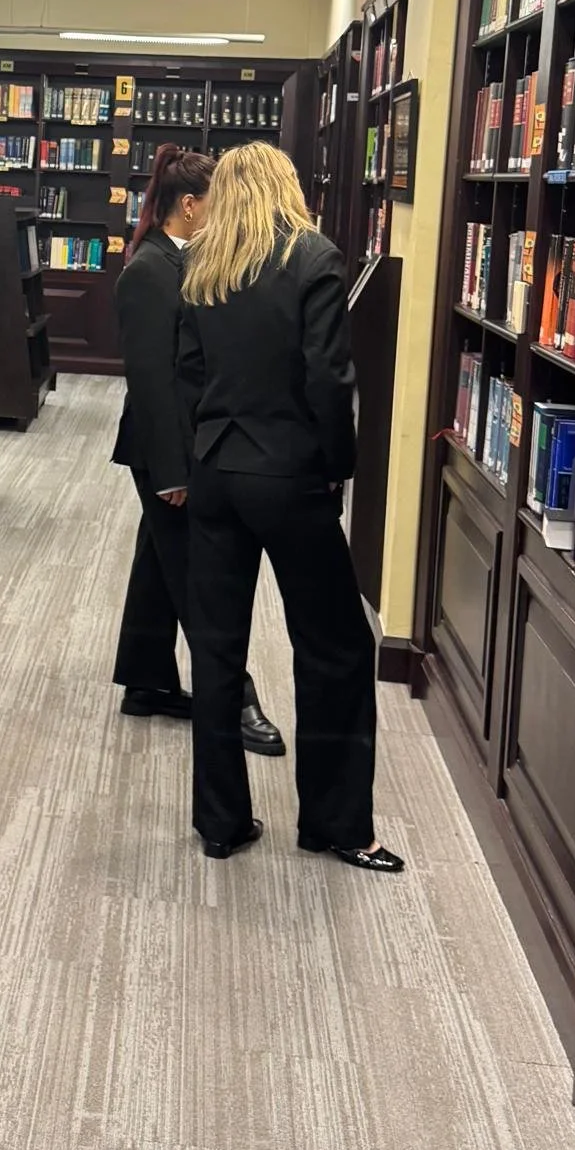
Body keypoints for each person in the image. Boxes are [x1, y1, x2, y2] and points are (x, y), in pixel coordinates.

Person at [176, 140, 403, 874]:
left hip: (215, 474)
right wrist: (337, 469)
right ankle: (337, 826)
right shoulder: (314, 258)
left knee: (215, 650)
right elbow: (329, 380)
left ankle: (222, 822)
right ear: (286, 187)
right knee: (335, 648)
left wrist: (201, 449)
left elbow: (187, 373)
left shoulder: (201, 265)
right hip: (289, 477)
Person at [111, 143, 282, 756]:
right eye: (218, 203)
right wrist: (171, 472)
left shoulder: (182, 259)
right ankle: (235, 698)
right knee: (197, 578)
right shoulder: (150, 271)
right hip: (167, 453)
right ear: (189, 206)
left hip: (181, 446)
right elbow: (152, 383)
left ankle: (146, 681)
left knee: (159, 562)